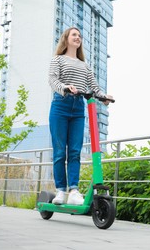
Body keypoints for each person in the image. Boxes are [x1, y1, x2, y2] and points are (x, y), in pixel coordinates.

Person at [48, 27, 113, 205]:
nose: (78, 37)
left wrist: (104, 97)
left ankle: (74, 190)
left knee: (75, 152)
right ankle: (60, 190)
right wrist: (66, 87)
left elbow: (95, 87)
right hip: (60, 105)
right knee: (60, 152)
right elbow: (52, 80)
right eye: (74, 35)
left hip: (78, 109)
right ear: (66, 39)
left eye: (79, 36)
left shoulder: (84, 65)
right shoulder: (58, 59)